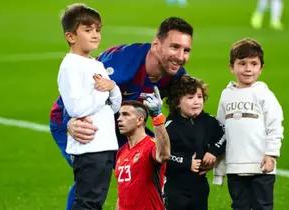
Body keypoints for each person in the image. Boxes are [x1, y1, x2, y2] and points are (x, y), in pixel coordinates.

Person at [49, 16, 193, 209]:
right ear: (156, 44)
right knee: (93, 174)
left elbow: (180, 118)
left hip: (123, 123)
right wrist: (69, 123)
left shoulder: (176, 76)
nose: (181, 56)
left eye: (186, 50)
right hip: (79, 119)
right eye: (174, 47)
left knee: (153, 164)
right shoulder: (122, 65)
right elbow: (76, 91)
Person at [56, 3, 122, 210]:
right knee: (88, 203)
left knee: (95, 202)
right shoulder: (70, 66)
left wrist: (112, 87)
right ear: (71, 36)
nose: (95, 35)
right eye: (87, 30)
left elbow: (114, 106)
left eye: (98, 30)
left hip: (105, 144)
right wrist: (104, 92)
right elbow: (76, 109)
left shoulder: (96, 64)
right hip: (89, 146)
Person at [213, 38, 284, 210]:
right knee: (239, 206)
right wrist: (219, 168)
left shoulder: (264, 94)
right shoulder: (226, 95)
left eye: (254, 63)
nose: (248, 68)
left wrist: (271, 154)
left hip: (261, 167)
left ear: (261, 68)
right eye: (242, 63)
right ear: (232, 67)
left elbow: (275, 125)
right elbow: (220, 130)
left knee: (263, 207)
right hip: (235, 167)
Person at [164, 75, 225, 210]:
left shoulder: (209, 121)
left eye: (199, 96)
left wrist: (213, 151)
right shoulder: (169, 126)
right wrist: (186, 162)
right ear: (177, 103)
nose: (197, 101)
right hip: (175, 186)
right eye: (190, 98)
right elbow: (163, 155)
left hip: (199, 184)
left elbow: (223, 136)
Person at [115, 94, 170, 210]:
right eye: (119, 114)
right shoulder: (121, 152)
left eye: (125, 114)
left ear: (140, 120)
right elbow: (121, 193)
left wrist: (157, 117)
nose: (119, 118)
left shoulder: (151, 146)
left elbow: (164, 155)